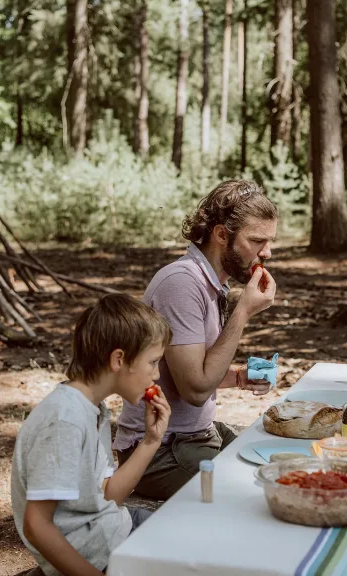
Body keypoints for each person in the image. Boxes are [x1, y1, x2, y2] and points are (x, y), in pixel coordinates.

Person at [114, 180, 278, 500]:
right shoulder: (182, 283)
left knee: (277, 468)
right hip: (159, 452)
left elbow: (187, 373)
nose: (267, 253)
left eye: (270, 241)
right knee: (254, 496)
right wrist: (242, 312)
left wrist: (240, 378)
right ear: (221, 235)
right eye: (257, 240)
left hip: (195, 437)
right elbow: (195, 390)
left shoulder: (211, 282)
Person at [11, 294, 172, 576]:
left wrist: (151, 441)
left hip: (110, 529)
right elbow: (37, 525)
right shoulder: (64, 420)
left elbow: (108, 495)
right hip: (96, 554)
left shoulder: (92, 409)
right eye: (153, 362)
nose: (156, 375)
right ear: (119, 359)